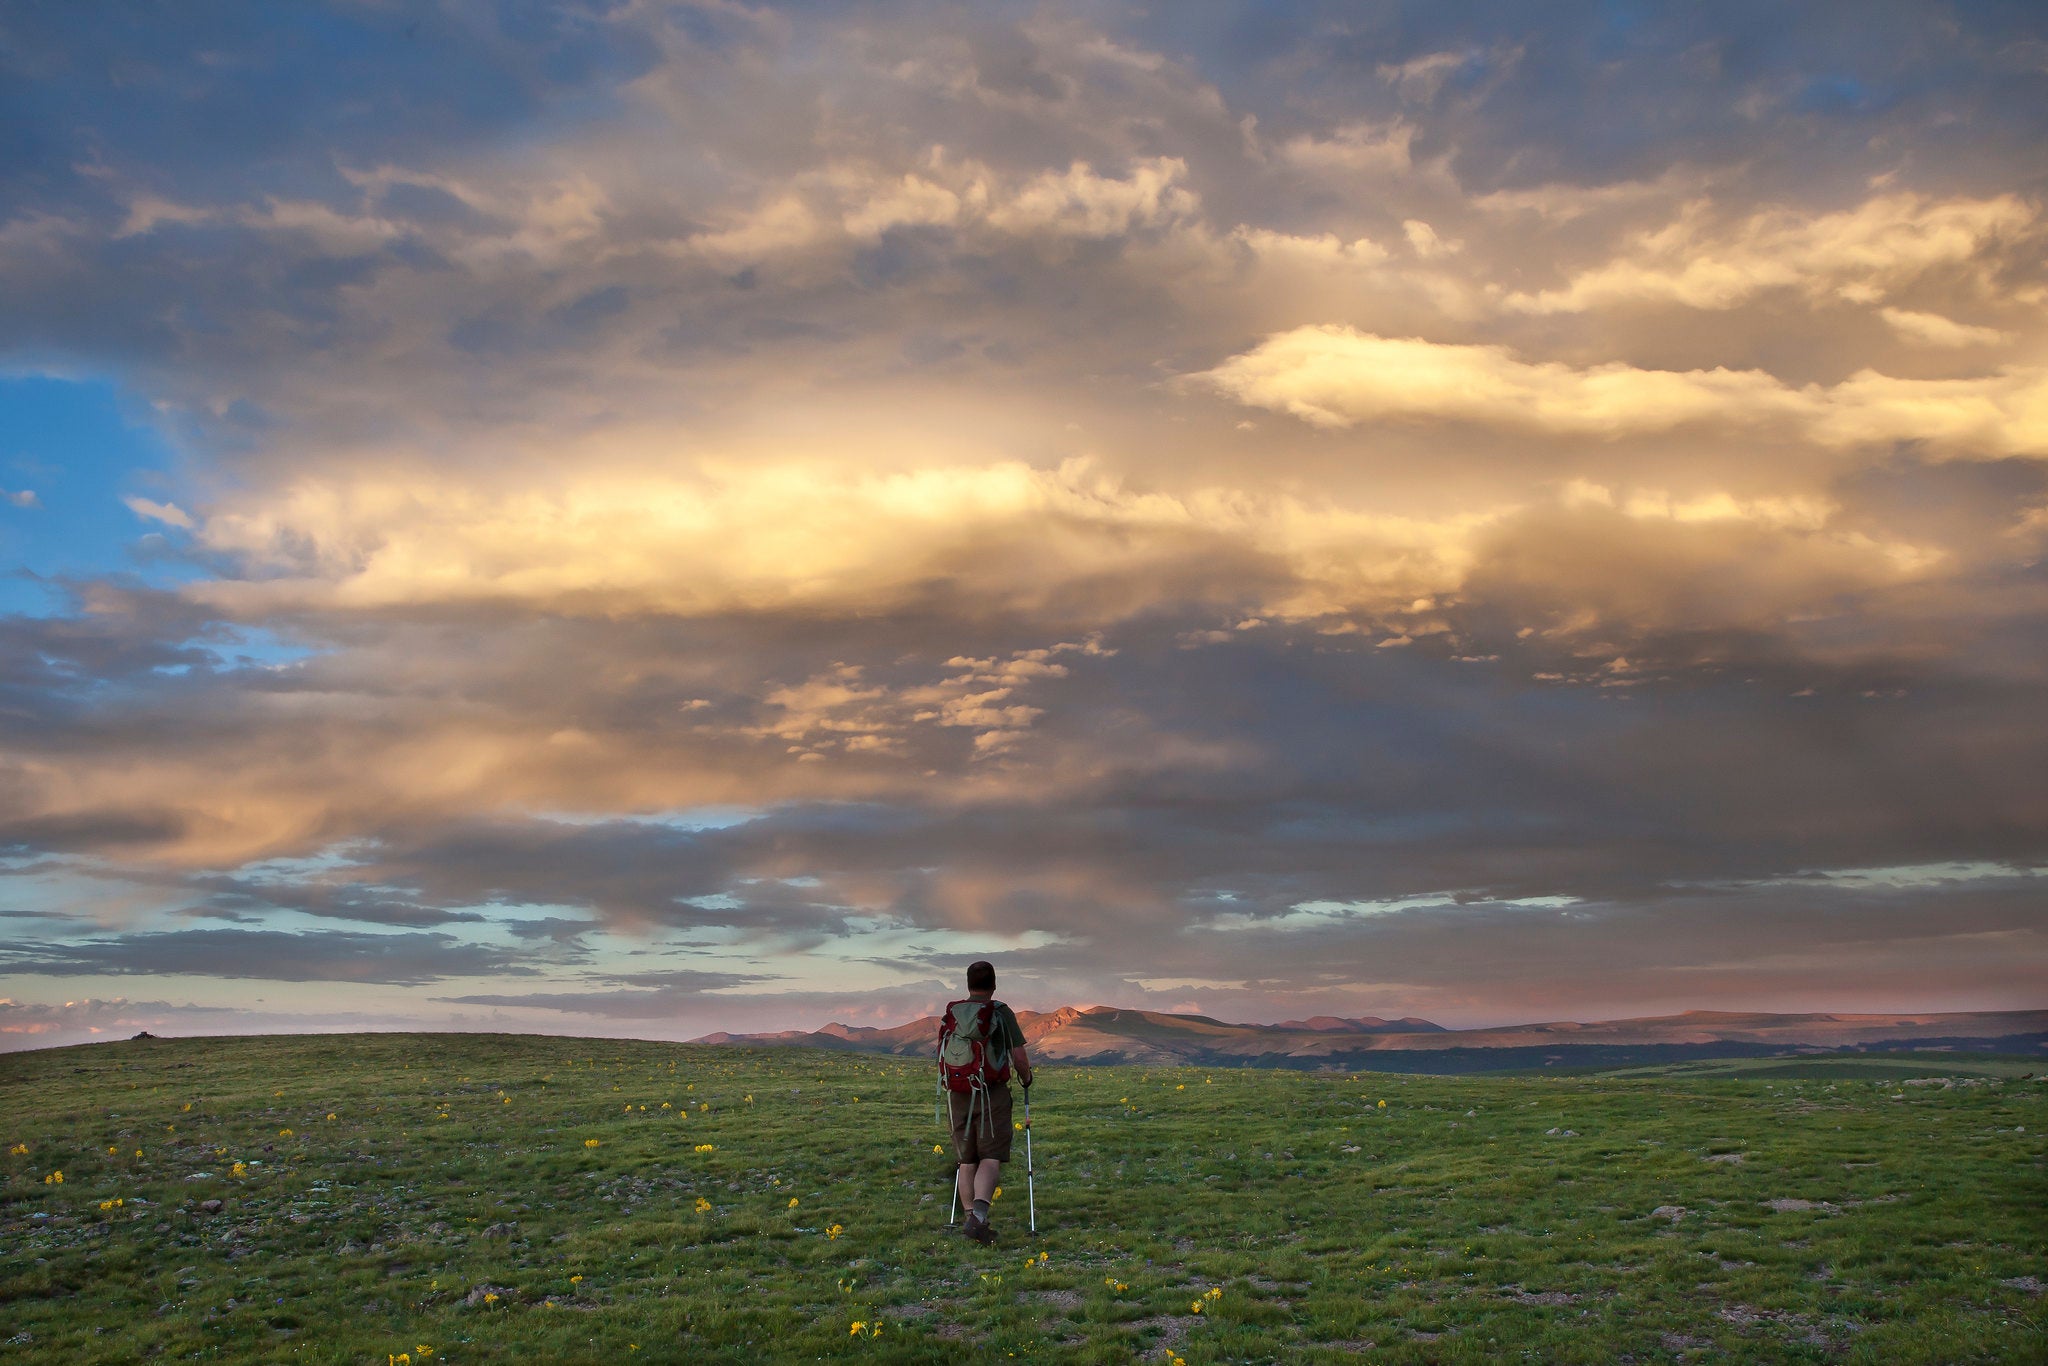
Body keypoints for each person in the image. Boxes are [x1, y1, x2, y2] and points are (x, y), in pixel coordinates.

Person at [947, 959, 1033, 1245]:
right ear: (994, 985)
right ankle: (979, 1218)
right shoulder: (1000, 1012)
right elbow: (1019, 1057)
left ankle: (970, 1216)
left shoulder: (955, 1012)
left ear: (968, 984)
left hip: (958, 1093)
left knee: (966, 1159)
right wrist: (1026, 1077)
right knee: (990, 1156)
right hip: (991, 1092)